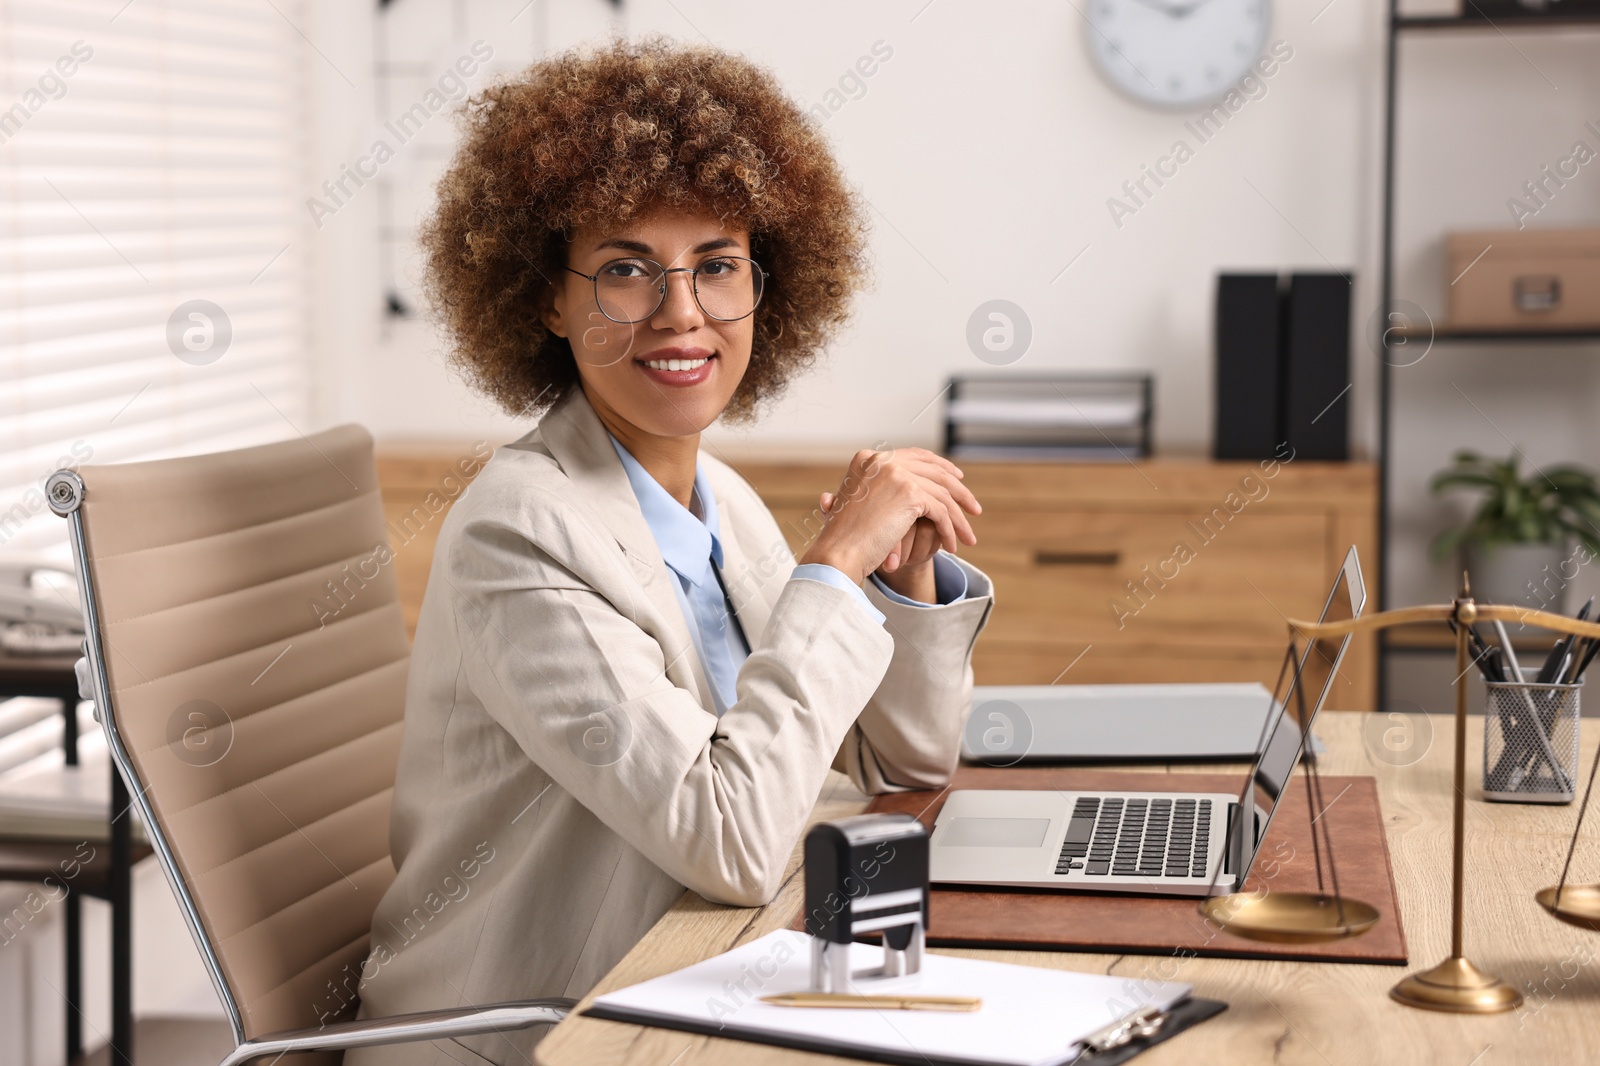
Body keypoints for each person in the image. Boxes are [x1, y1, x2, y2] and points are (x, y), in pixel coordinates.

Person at [347, 34, 993, 1066]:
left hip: (691, 978)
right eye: (624, 271)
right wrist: (830, 570)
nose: (681, 312)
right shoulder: (517, 533)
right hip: (536, 1032)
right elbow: (731, 838)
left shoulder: (717, 500)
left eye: (716, 267)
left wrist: (901, 575)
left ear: (763, 287)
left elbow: (906, 760)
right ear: (546, 300)